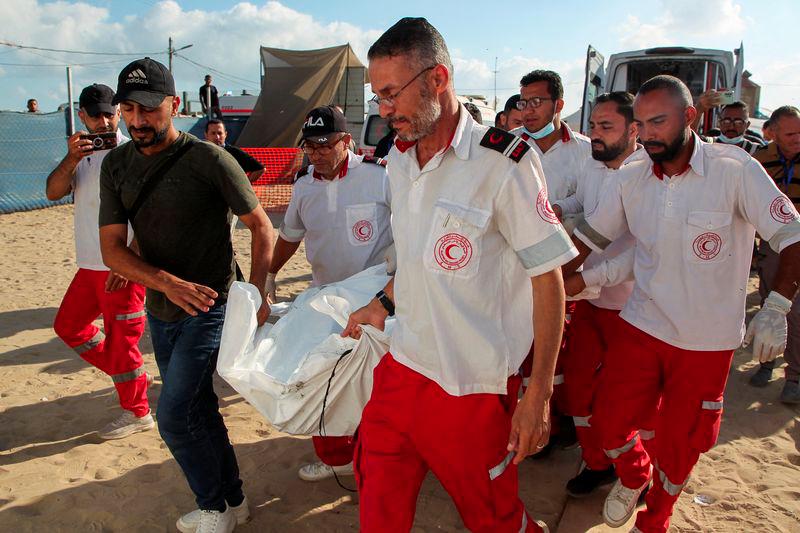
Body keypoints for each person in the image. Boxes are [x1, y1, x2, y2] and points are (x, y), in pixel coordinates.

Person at [343, 17, 578, 532]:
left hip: (470, 387)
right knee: (377, 501)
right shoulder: (399, 160)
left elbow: (548, 278)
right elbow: (419, 260)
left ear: (437, 80)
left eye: (390, 93)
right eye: (376, 95)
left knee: (491, 518)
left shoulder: (504, 163)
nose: (382, 110)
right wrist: (381, 305)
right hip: (403, 369)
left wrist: (538, 395)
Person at [565, 75, 800, 532]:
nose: (648, 133)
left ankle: (656, 519)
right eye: (642, 123)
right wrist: (548, 279)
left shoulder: (735, 169)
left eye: (659, 121)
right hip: (642, 324)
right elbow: (588, 238)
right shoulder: (631, 176)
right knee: (609, 420)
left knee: (681, 444)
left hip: (706, 342)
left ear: (690, 117)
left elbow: (791, 235)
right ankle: (634, 475)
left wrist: (775, 306)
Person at [99, 57, 275, 533]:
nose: (138, 121)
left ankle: (213, 508)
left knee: (174, 417)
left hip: (210, 305)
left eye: (150, 110)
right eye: (129, 110)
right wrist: (165, 283)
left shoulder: (210, 159)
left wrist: (257, 296)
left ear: (174, 105)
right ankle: (233, 500)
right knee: (198, 408)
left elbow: (262, 228)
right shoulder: (116, 164)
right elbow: (112, 249)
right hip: (162, 308)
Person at [267, 104, 393, 482]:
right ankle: (337, 456)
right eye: (310, 147)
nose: (318, 154)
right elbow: (291, 235)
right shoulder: (304, 186)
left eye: (326, 145)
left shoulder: (380, 178)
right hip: (325, 300)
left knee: (376, 386)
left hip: (375, 300)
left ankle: (380, 456)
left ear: (347, 141)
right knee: (323, 381)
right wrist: (271, 273)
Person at [552, 91, 649, 497]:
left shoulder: (648, 175)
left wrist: (567, 279)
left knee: (626, 402)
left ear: (634, 130)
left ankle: (638, 472)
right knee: (578, 390)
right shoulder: (594, 167)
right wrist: (556, 207)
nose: (594, 135)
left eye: (606, 127)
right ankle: (597, 464)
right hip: (589, 298)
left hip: (634, 308)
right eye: (592, 126)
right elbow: (581, 204)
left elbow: (639, 252)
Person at [46, 83, 153, 440]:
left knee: (124, 344)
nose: (105, 121)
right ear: (82, 117)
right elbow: (52, 191)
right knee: (69, 325)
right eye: (96, 115)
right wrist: (72, 157)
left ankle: (138, 413)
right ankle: (132, 376)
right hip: (89, 263)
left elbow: (150, 214)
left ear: (119, 111)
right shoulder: (81, 154)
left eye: (110, 112)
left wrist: (128, 262)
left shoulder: (132, 151)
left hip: (121, 267)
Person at [749, 105, 800, 399]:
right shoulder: (759, 162)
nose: (797, 139)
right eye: (790, 133)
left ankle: (793, 376)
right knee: (768, 304)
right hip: (772, 246)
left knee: (796, 313)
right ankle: (766, 365)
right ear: (773, 133)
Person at [511, 70, 591, 202]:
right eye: (523, 103)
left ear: (558, 105)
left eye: (536, 102)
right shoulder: (507, 144)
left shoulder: (586, 151)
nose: (528, 110)